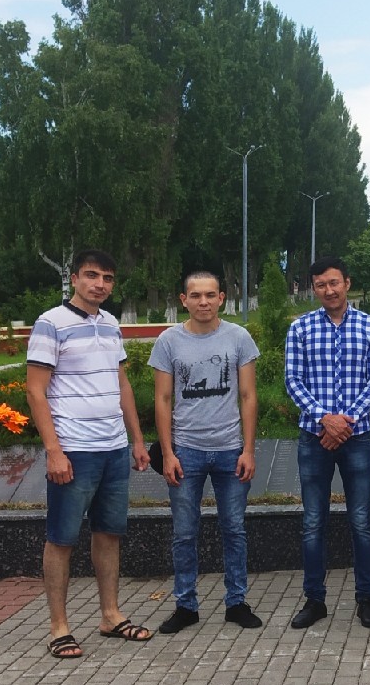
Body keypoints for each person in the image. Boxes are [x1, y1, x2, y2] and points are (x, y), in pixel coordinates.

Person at [25, 249, 153, 659]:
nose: (100, 284)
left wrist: (136, 439)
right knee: (62, 538)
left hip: (113, 447)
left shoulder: (111, 324)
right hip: (74, 449)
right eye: (92, 275)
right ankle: (59, 627)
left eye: (108, 278)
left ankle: (110, 615)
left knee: (109, 533)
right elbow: (35, 390)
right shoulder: (51, 323)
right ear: (75, 278)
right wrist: (54, 451)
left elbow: (122, 384)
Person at [148, 270, 263, 633]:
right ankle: (186, 606)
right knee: (184, 532)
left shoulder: (239, 337)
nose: (203, 302)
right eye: (195, 295)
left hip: (230, 450)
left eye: (210, 295)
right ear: (183, 300)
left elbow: (248, 396)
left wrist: (248, 449)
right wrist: (168, 453)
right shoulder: (168, 341)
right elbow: (163, 399)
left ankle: (237, 602)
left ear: (221, 298)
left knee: (234, 529)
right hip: (187, 451)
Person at [284, 257, 370, 630]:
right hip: (314, 437)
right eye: (321, 285)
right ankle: (315, 600)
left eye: (334, 283)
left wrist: (346, 421)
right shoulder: (300, 328)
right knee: (313, 521)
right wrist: (324, 419)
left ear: (347, 282)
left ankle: (366, 600)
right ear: (314, 288)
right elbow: (293, 380)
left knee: (361, 521)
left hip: (356, 438)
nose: (329, 290)